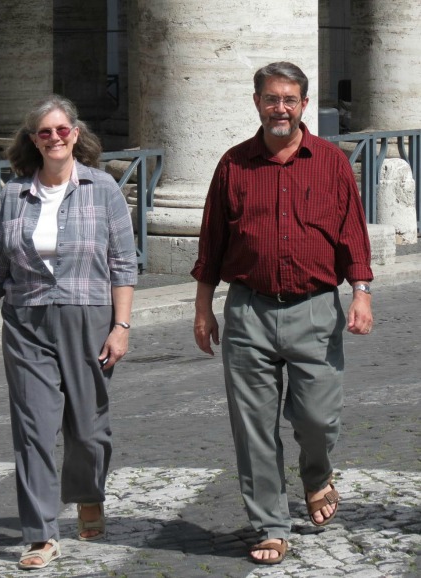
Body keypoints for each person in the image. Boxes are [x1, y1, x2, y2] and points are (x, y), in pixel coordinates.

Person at [191, 62, 373, 565]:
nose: (281, 109)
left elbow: (352, 235)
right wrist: (204, 308)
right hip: (249, 310)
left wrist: (360, 292)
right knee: (253, 427)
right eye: (272, 99)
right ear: (257, 103)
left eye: (290, 100)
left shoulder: (332, 163)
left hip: (316, 309)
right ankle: (269, 524)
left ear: (304, 105)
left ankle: (316, 475)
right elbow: (212, 244)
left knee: (317, 418)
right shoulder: (233, 165)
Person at [0, 95, 137, 570]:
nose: (56, 138)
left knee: (88, 430)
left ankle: (87, 494)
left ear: (76, 135)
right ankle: (41, 534)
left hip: (89, 318)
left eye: (63, 130)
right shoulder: (11, 195)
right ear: (33, 141)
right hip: (26, 321)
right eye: (45, 132)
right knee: (33, 430)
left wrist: (120, 327)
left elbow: (123, 264)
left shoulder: (102, 188)